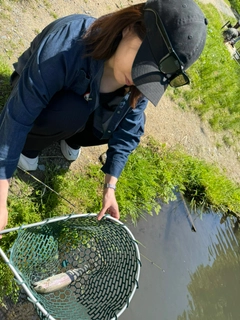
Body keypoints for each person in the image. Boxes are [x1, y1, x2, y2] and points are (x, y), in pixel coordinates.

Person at [0, 0, 207, 236]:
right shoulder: (69, 41)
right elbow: (19, 113)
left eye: (151, 75)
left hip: (83, 107)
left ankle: (71, 137)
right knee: (72, 112)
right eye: (142, 64)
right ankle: (30, 146)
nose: (140, 79)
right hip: (37, 94)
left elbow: (129, 131)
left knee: (114, 118)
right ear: (131, 26)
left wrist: (110, 186)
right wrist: (1, 188)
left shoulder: (138, 83)